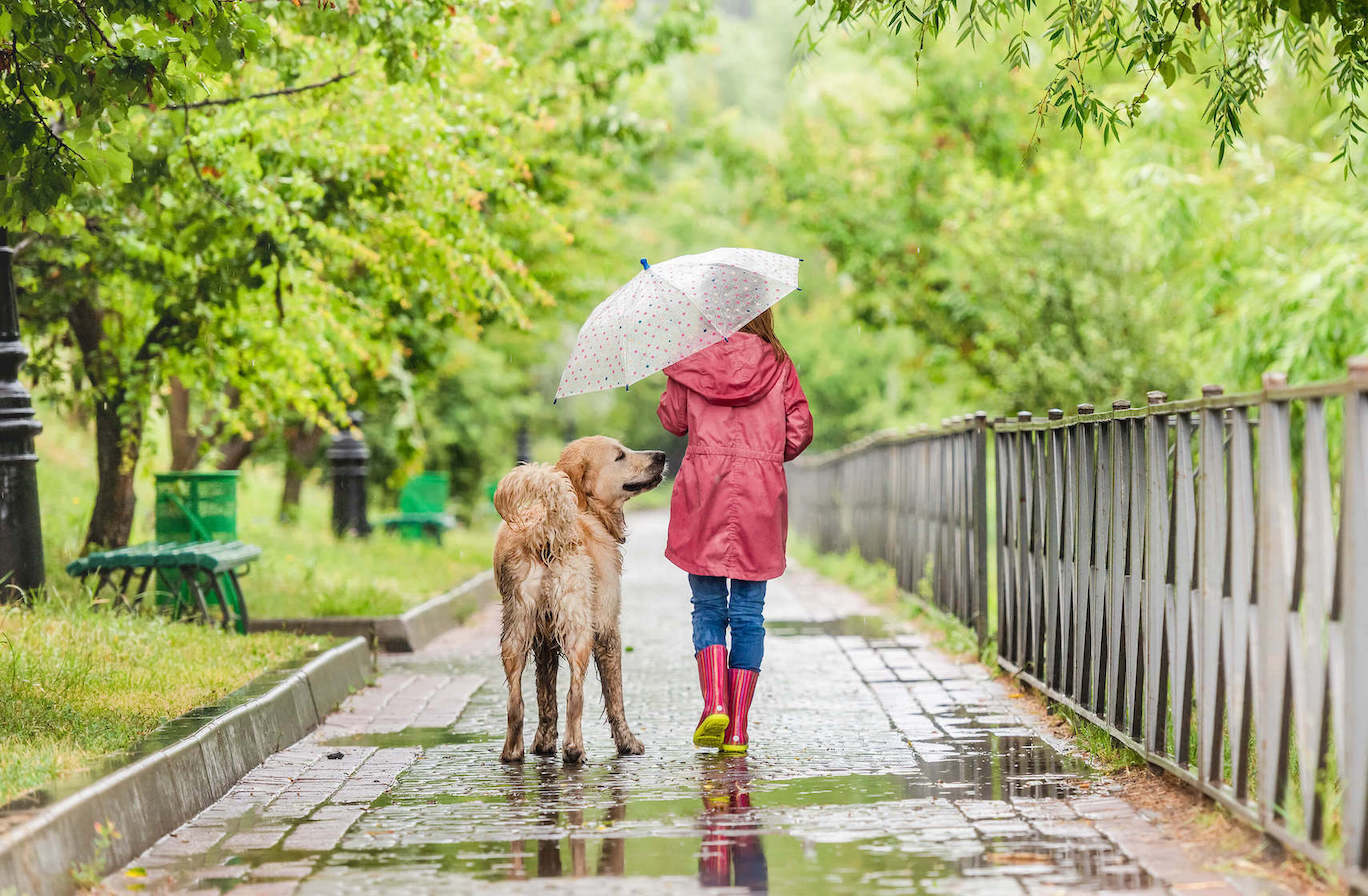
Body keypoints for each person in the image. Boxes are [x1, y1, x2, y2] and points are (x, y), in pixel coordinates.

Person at [657, 307, 814, 754]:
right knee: (748, 614)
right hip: (760, 493)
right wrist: (765, 451)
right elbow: (799, 431)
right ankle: (738, 729)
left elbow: (673, 421)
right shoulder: (779, 362)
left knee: (706, 605)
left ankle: (714, 705)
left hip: (704, 490)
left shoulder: (691, 359)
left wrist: (676, 379)